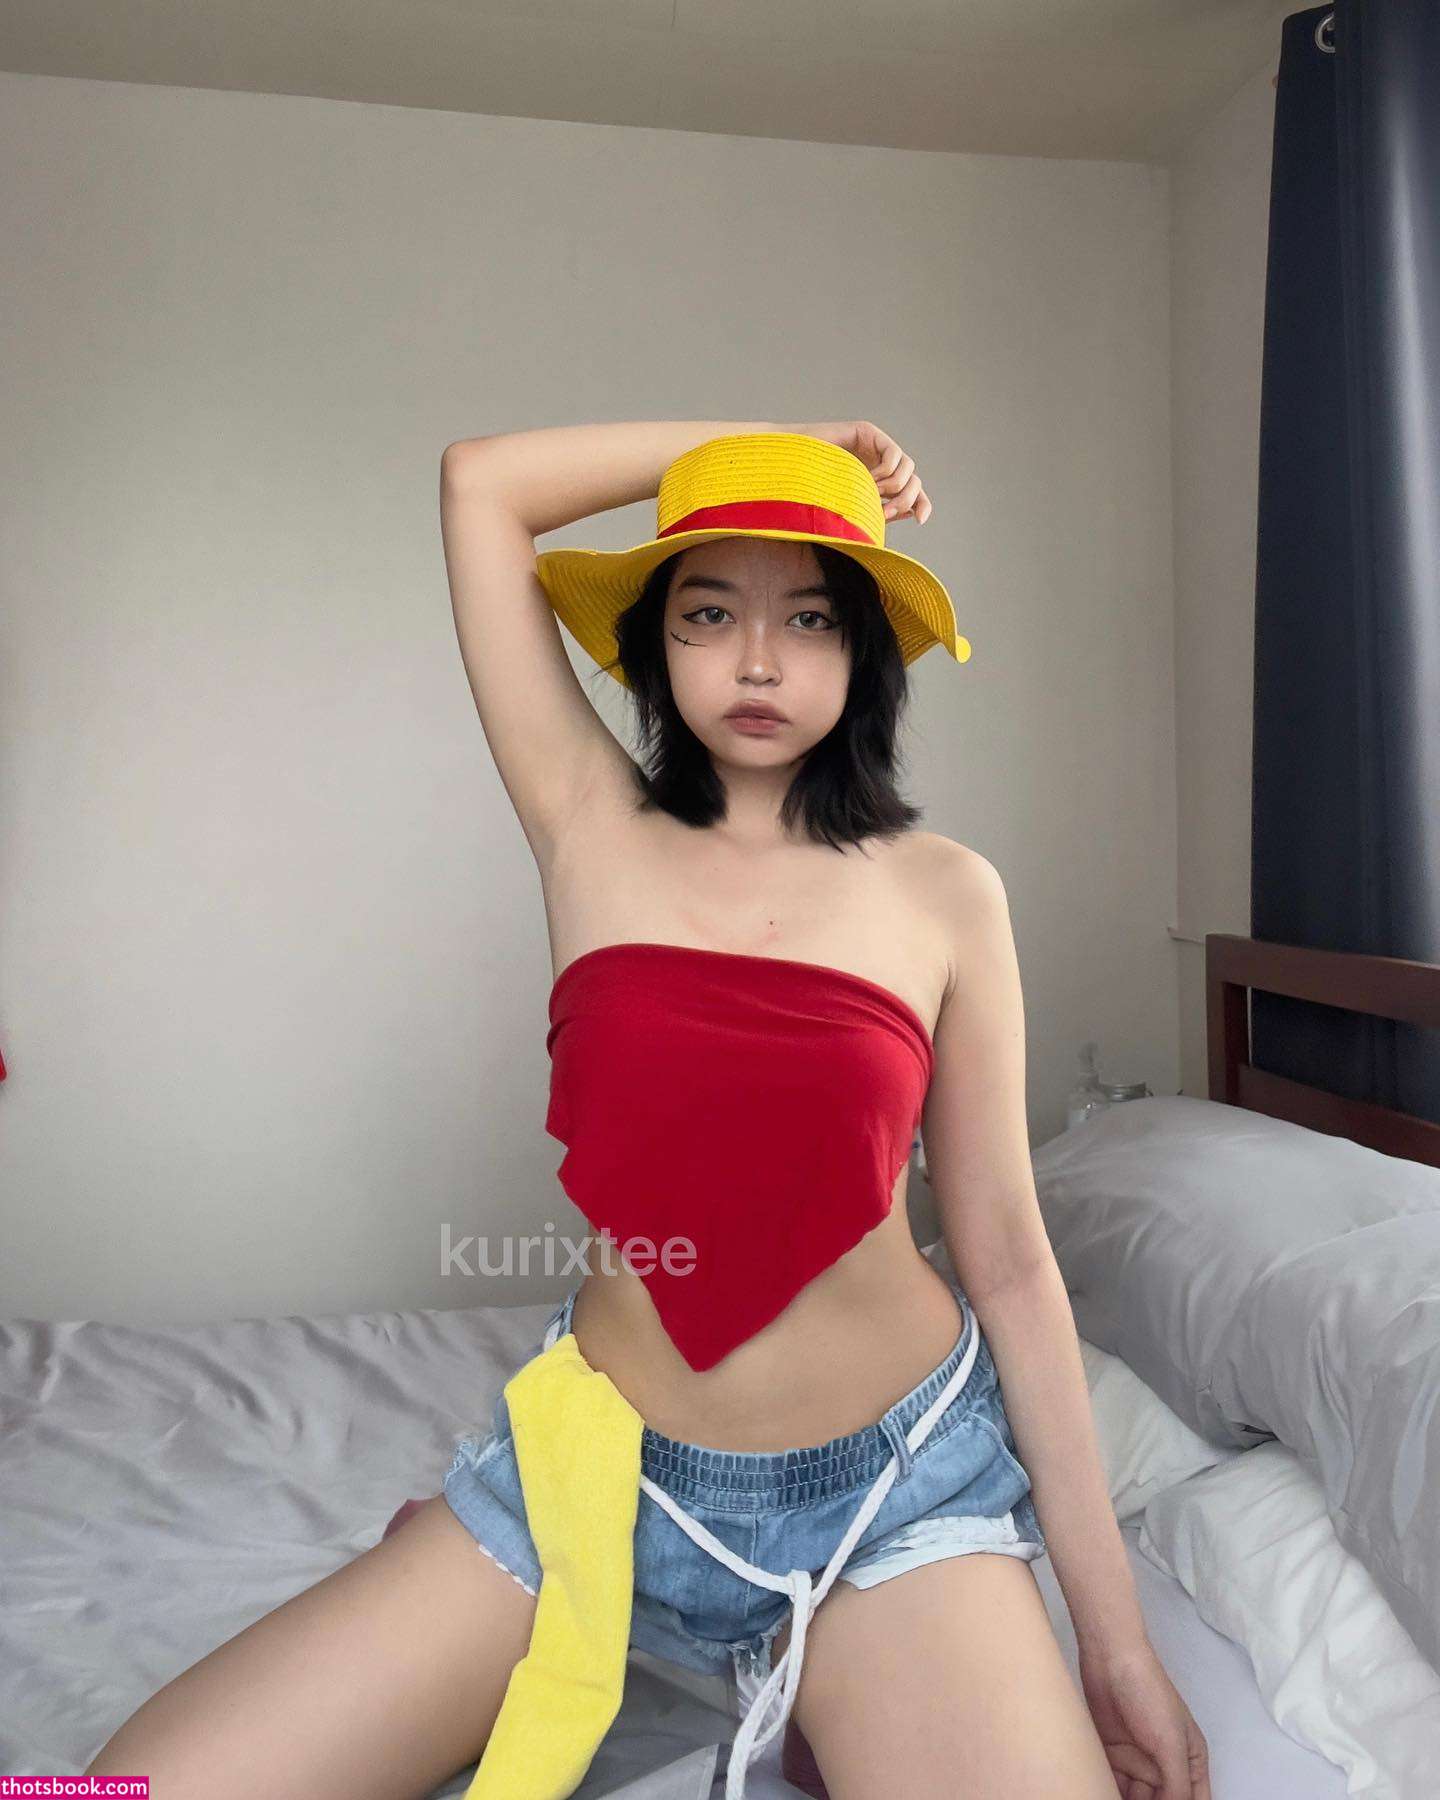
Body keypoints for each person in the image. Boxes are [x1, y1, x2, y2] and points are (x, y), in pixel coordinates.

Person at [87, 419, 1210, 1800]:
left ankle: (838, 1680)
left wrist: (1117, 1644)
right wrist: (780, 444)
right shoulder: (589, 823)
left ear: (863, 649)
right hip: (594, 1472)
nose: (757, 660)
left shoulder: (946, 894)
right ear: (656, 644)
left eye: (808, 617)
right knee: (115, 1793)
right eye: (709, 612)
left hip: (888, 1498)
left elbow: (1012, 1262)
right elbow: (480, 486)